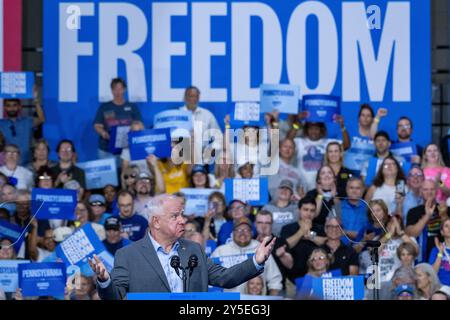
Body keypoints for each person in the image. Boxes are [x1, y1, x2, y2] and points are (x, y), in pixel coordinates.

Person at [90, 194, 276, 299]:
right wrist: (105, 280)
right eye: (175, 216)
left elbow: (224, 278)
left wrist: (256, 261)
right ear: (156, 222)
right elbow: (115, 297)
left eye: (182, 215)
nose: (183, 220)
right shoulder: (128, 255)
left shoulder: (193, 249)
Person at [211, 216, 282, 295]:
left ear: (251, 232)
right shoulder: (221, 251)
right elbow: (210, 278)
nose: (242, 233)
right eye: (239, 230)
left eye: (246, 230)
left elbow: (275, 280)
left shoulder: (260, 248)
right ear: (233, 233)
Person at [93, 78, 143, 160]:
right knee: (108, 173)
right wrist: (104, 133)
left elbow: (140, 125)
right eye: (115, 89)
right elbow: (97, 125)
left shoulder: (132, 107)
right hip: (107, 149)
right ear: (111, 90)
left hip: (127, 149)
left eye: (120, 89)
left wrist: (134, 130)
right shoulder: (105, 107)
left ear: (124, 90)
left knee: (126, 173)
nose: (118, 92)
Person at [280, 197, 326, 281]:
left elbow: (325, 242)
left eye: (312, 211)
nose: (309, 213)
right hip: (292, 278)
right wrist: (302, 231)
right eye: (306, 210)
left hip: (316, 278)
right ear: (299, 210)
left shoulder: (320, 228)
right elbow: (285, 245)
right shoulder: (287, 228)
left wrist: (310, 236)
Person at [293, 122, 347, 192]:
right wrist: (296, 124)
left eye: (316, 129)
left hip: (322, 186)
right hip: (301, 186)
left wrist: (343, 128)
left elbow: (346, 145)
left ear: (321, 130)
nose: (313, 131)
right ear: (306, 130)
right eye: (311, 129)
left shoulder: (328, 142)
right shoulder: (299, 141)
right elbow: (285, 143)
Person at [406, 179, 449, 262]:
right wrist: (427, 216)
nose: (429, 192)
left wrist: (443, 215)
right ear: (421, 191)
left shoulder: (446, 210)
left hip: (444, 256)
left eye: (432, 189)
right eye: (425, 189)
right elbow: (411, 234)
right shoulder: (413, 211)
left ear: (436, 191)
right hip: (420, 257)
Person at [179, 86, 221, 164]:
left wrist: (210, 152)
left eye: (196, 96)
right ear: (185, 98)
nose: (194, 99)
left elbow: (218, 137)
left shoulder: (207, 115)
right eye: (191, 96)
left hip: (201, 160)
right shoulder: (177, 115)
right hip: (181, 160)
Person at [254, 210, 294, 291]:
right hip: (253, 288)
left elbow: (290, 265)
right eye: (260, 222)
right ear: (255, 224)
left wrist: (282, 255)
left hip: (278, 288)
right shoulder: (251, 241)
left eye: (267, 223)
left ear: (272, 224)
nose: (263, 226)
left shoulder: (280, 242)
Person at [0, 95, 45, 165]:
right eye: (8, 106)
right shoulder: (1, 123)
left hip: (27, 163)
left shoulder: (27, 121)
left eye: (14, 105)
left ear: (19, 107)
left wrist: (36, 100)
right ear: (5, 108)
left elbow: (41, 119)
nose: (12, 108)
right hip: (8, 164)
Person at [343, 105, 387, 176]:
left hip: (368, 173)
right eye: (363, 115)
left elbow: (373, 137)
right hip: (348, 173)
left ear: (372, 119)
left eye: (368, 116)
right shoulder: (350, 131)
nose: (365, 118)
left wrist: (378, 116)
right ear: (358, 118)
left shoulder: (376, 134)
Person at [429, 218, 450, 286]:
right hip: (441, 288)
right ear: (442, 232)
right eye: (446, 226)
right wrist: (440, 252)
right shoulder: (435, 250)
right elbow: (433, 272)